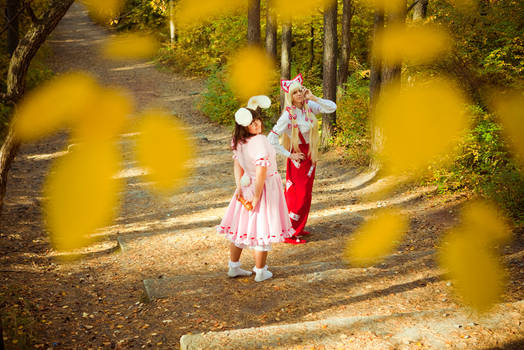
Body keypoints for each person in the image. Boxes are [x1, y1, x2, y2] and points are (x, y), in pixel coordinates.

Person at [217, 96, 294, 282]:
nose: (257, 124)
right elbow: (261, 171)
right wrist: (257, 195)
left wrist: (240, 188)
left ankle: (233, 267)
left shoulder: (238, 140)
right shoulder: (259, 141)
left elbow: (238, 165)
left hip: (246, 185)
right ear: (244, 126)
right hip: (263, 186)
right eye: (251, 123)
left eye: (257, 120)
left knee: (241, 226)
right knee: (262, 227)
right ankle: (260, 271)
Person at [268, 73, 337, 244]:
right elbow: (271, 138)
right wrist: (289, 154)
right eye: (295, 92)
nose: (299, 94)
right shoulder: (288, 115)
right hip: (297, 156)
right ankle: (288, 232)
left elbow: (332, 107)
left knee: (306, 193)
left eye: (300, 91)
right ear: (290, 96)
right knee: (296, 194)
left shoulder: (309, 107)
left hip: (310, 155)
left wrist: (314, 97)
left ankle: (298, 227)